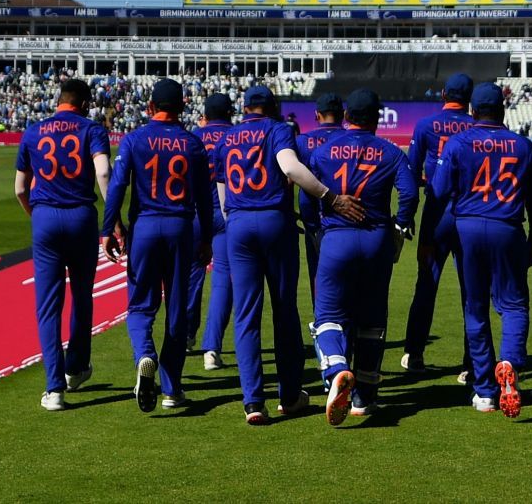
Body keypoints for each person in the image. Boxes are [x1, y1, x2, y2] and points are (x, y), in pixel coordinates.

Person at [218, 83, 364, 424]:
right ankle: (288, 395)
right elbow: (290, 168)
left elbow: (221, 190)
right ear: (272, 107)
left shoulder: (228, 137)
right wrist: (329, 197)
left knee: (245, 316)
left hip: (237, 224)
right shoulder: (279, 129)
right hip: (274, 221)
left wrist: (234, 220)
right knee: (284, 311)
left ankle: (253, 401)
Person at [431, 81, 532, 417]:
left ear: (472, 110)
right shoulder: (523, 146)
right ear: (503, 109)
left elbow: (438, 195)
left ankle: (484, 391)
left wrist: (430, 238)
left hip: (466, 227)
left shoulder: (457, 143)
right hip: (507, 228)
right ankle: (509, 362)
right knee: (513, 304)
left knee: (475, 307)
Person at [102, 78, 216, 413]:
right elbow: (205, 201)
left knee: (140, 306)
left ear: (151, 106)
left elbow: (117, 186)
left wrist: (109, 227)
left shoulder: (135, 139)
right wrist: (207, 237)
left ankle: (145, 355)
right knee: (177, 310)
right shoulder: (193, 144)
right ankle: (171, 388)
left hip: (146, 228)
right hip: (182, 228)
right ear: (182, 107)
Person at [310, 89, 417, 425]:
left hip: (336, 238)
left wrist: (316, 229)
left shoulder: (323, 151)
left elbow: (306, 197)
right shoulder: (390, 152)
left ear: (346, 116)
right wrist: (399, 226)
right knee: (372, 322)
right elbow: (410, 193)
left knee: (328, 315)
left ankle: (337, 370)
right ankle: (364, 398)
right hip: (375, 240)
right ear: (376, 118)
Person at [14, 79, 112, 410]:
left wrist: (36, 214)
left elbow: (18, 188)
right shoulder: (92, 129)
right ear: (83, 103)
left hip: (45, 217)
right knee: (83, 296)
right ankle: (77, 366)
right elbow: (103, 174)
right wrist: (113, 218)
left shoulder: (33, 131)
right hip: (81, 216)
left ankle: (54, 388)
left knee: (47, 306)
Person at [402, 72, 475, 373]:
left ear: (443, 93)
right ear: (469, 98)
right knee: (472, 290)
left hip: (437, 213)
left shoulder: (425, 125)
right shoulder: (477, 127)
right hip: (470, 213)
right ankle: (472, 362)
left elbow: (411, 170)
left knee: (426, 283)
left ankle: (415, 353)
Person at [191, 92, 237, 371]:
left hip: (196, 212)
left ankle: (185, 335)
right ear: (230, 113)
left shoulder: (194, 136)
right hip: (227, 211)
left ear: (205, 115)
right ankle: (212, 348)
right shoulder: (238, 136)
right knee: (222, 281)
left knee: (190, 278)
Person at [298, 93, 347, 304]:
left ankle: (321, 324)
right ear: (343, 115)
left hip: (314, 219)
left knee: (318, 274)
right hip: (346, 218)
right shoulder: (352, 139)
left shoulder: (301, 142)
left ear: (316, 114)